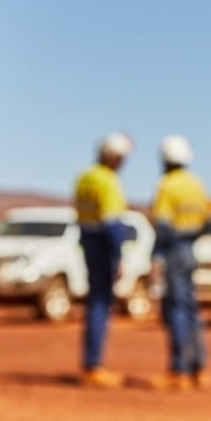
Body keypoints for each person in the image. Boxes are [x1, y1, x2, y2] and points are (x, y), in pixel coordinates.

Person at [148, 134, 211, 391]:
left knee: (175, 309)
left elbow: (162, 226)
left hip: (174, 251)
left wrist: (156, 254)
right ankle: (200, 368)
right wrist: (190, 237)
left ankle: (180, 370)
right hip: (190, 251)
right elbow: (208, 220)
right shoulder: (196, 184)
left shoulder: (166, 185)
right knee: (190, 309)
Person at [73, 132, 133, 388]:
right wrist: (118, 256)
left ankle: (90, 362)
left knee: (94, 303)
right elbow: (112, 224)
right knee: (100, 303)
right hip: (103, 246)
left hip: (88, 242)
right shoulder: (107, 180)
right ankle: (94, 364)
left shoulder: (84, 178)